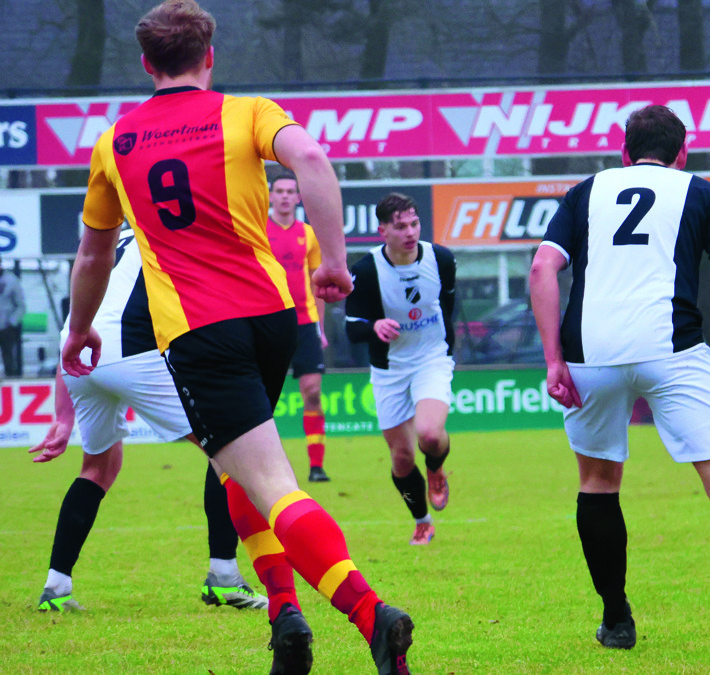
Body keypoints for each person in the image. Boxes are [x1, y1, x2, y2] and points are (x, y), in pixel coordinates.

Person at [62, 2, 414, 673]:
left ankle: (373, 615)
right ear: (209, 56)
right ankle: (286, 620)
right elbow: (309, 154)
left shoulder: (116, 142)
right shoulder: (246, 110)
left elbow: (92, 256)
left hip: (200, 331)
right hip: (274, 318)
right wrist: (334, 259)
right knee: (234, 468)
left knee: (271, 483)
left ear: (146, 65)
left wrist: (79, 329)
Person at [529, 104, 710, 656]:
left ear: (623, 153)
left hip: (592, 353)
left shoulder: (585, 191)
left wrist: (552, 360)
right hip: (675, 349)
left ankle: (616, 621)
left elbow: (544, 269)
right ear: (683, 154)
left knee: (598, 483)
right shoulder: (704, 193)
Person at [30, 231, 267, 612]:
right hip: (130, 352)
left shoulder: (108, 237)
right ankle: (223, 576)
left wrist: (62, 416)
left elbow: (75, 324)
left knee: (98, 468)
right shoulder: (174, 230)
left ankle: (56, 588)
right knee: (227, 448)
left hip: (80, 355)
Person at [345, 193, 455, 547]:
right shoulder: (365, 270)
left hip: (431, 359)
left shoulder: (441, 258)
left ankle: (436, 470)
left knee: (430, 434)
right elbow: (352, 326)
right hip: (390, 368)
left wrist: (444, 347)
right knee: (403, 457)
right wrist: (374, 326)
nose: (409, 232)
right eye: (400, 226)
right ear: (382, 230)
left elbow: (448, 306)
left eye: (414, 224)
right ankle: (422, 520)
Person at [266, 169, 331, 483]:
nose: (285, 196)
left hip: (304, 325)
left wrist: (320, 329)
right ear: (270, 195)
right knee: (262, 401)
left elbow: (318, 284)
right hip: (266, 324)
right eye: (280, 191)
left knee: (313, 393)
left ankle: (316, 466)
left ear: (298, 197)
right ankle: (265, 467)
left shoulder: (309, 233)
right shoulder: (257, 231)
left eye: (291, 191)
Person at [0, 253, 26, 377]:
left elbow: (21, 305)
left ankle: (11, 380)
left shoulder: (11, 280)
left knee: (9, 356)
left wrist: (12, 322)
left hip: (6, 327)